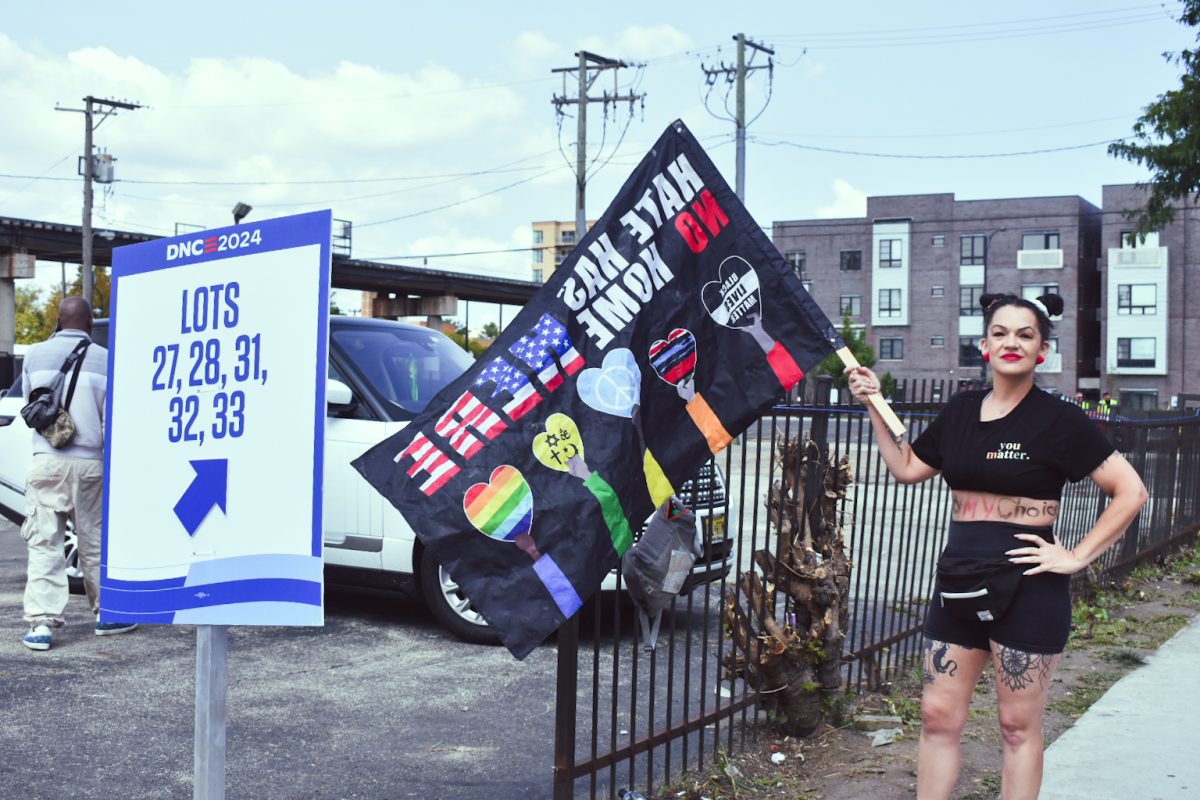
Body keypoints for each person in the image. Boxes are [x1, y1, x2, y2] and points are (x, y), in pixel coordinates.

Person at [845, 293, 1147, 800]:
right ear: (984, 346)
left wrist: (1074, 556)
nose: (1012, 342)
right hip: (959, 583)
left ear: (1041, 351)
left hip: (1030, 590)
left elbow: (1130, 490)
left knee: (1015, 726)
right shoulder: (962, 409)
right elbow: (908, 468)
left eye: (1025, 335)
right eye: (1001, 333)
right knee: (938, 717)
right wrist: (874, 403)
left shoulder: (1060, 419)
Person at [18, 296, 137, 650]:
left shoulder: (34, 355)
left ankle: (41, 625)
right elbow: (110, 420)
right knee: (94, 540)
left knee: (44, 543)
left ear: (58, 321)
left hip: (47, 461)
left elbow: (33, 410)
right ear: (89, 323)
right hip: (90, 464)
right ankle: (106, 615)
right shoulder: (104, 359)